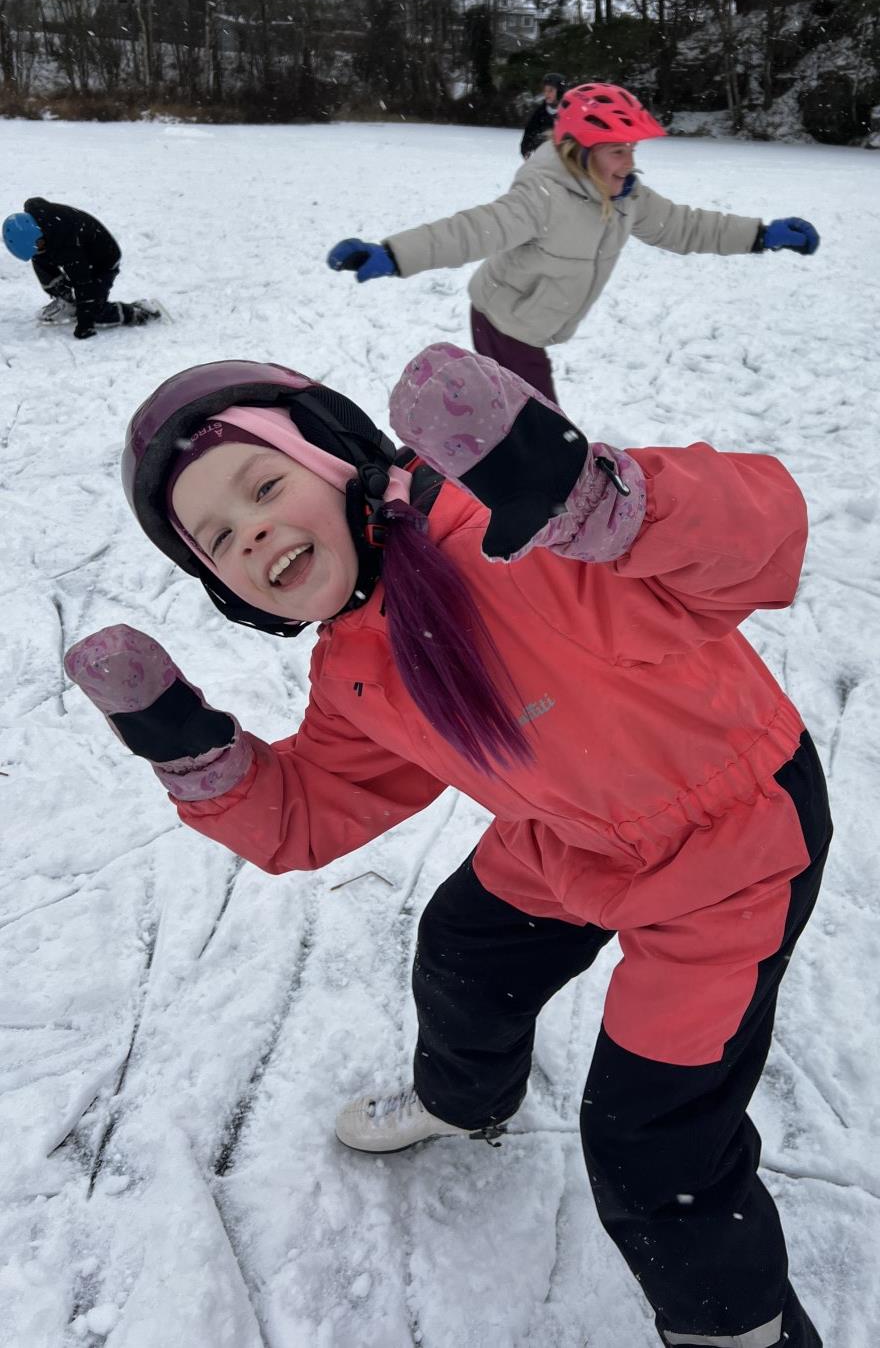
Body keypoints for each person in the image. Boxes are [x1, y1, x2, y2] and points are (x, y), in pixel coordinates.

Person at [64, 344, 832, 1348]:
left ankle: (736, 1333)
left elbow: (757, 540)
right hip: (567, 837)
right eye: (216, 538)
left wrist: (602, 504)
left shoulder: (519, 547)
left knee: (651, 1138)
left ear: (340, 462)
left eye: (264, 486)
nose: (249, 530)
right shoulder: (355, 662)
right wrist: (189, 748)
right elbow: (316, 806)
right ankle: (465, 1102)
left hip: (731, 845)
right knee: (465, 954)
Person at [326, 82, 819, 403]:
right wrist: (393, 254)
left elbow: (686, 226)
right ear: (581, 152)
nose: (629, 162)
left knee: (517, 420)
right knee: (545, 429)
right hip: (506, 321)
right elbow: (471, 230)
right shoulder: (541, 196)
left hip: (529, 325)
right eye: (616, 151)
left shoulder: (627, 196)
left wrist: (761, 235)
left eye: (631, 149)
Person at [2, 198, 159, 339]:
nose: (38, 250)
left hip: (103, 260)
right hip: (78, 249)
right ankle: (68, 302)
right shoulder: (37, 223)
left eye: (38, 246)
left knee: (95, 312)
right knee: (40, 259)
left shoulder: (66, 245)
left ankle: (139, 312)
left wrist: (85, 325)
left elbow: (83, 285)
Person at [519, 70, 567, 159]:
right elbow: (529, 132)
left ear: (560, 92)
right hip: (544, 158)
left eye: (551, 90)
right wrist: (526, 149)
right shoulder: (540, 113)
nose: (547, 94)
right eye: (545, 90)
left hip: (564, 158)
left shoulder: (569, 112)